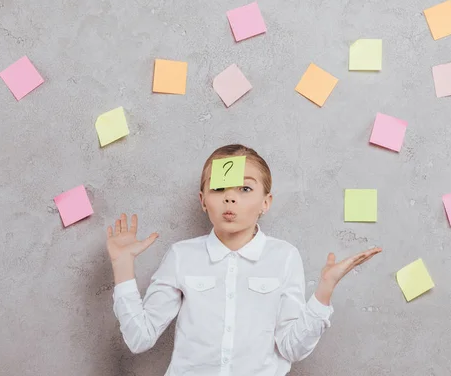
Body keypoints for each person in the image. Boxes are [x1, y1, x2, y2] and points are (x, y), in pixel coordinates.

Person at [107, 144, 382, 376]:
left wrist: (324, 292)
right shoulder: (182, 256)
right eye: (219, 189)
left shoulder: (284, 257)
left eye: (245, 189)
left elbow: (292, 349)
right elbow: (139, 338)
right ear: (203, 201)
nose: (229, 198)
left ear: (266, 202)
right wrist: (122, 265)